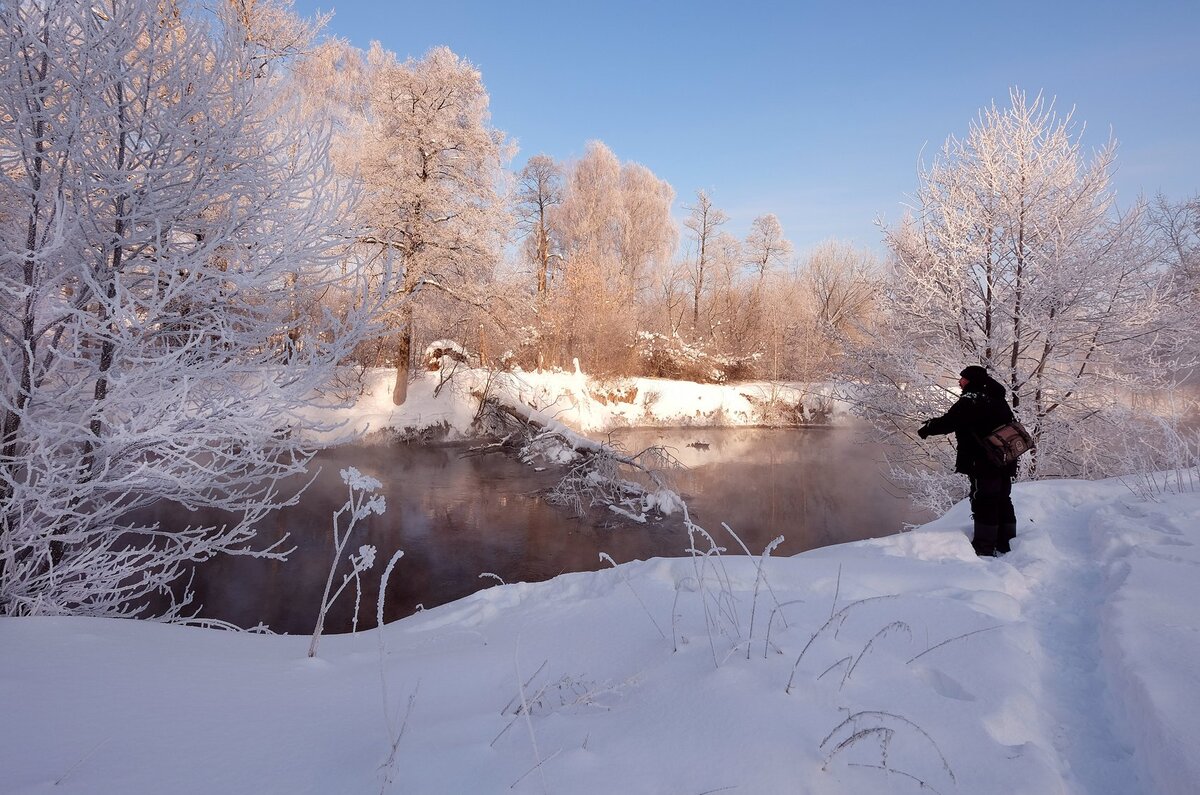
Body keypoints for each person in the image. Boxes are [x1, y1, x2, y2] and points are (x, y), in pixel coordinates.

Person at [917, 365, 1018, 557]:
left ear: (971, 380)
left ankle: (984, 547)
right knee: (1002, 498)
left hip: (984, 461)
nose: (959, 382)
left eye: (963, 378)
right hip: (1005, 458)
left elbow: (950, 421)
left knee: (984, 500)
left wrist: (927, 428)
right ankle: (1007, 542)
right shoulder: (998, 398)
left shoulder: (971, 400)